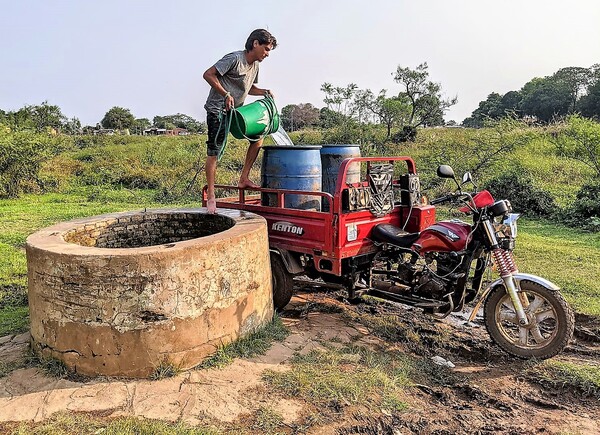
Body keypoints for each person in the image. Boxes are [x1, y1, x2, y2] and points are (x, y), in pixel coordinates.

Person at [203, 29, 277, 214]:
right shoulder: (235, 59)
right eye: (266, 49)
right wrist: (225, 94)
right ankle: (211, 195)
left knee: (258, 137)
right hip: (217, 109)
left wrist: (263, 92)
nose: (267, 54)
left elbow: (248, 87)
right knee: (215, 151)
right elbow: (208, 74)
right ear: (255, 44)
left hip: (235, 112)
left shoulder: (255, 67)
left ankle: (243, 178)